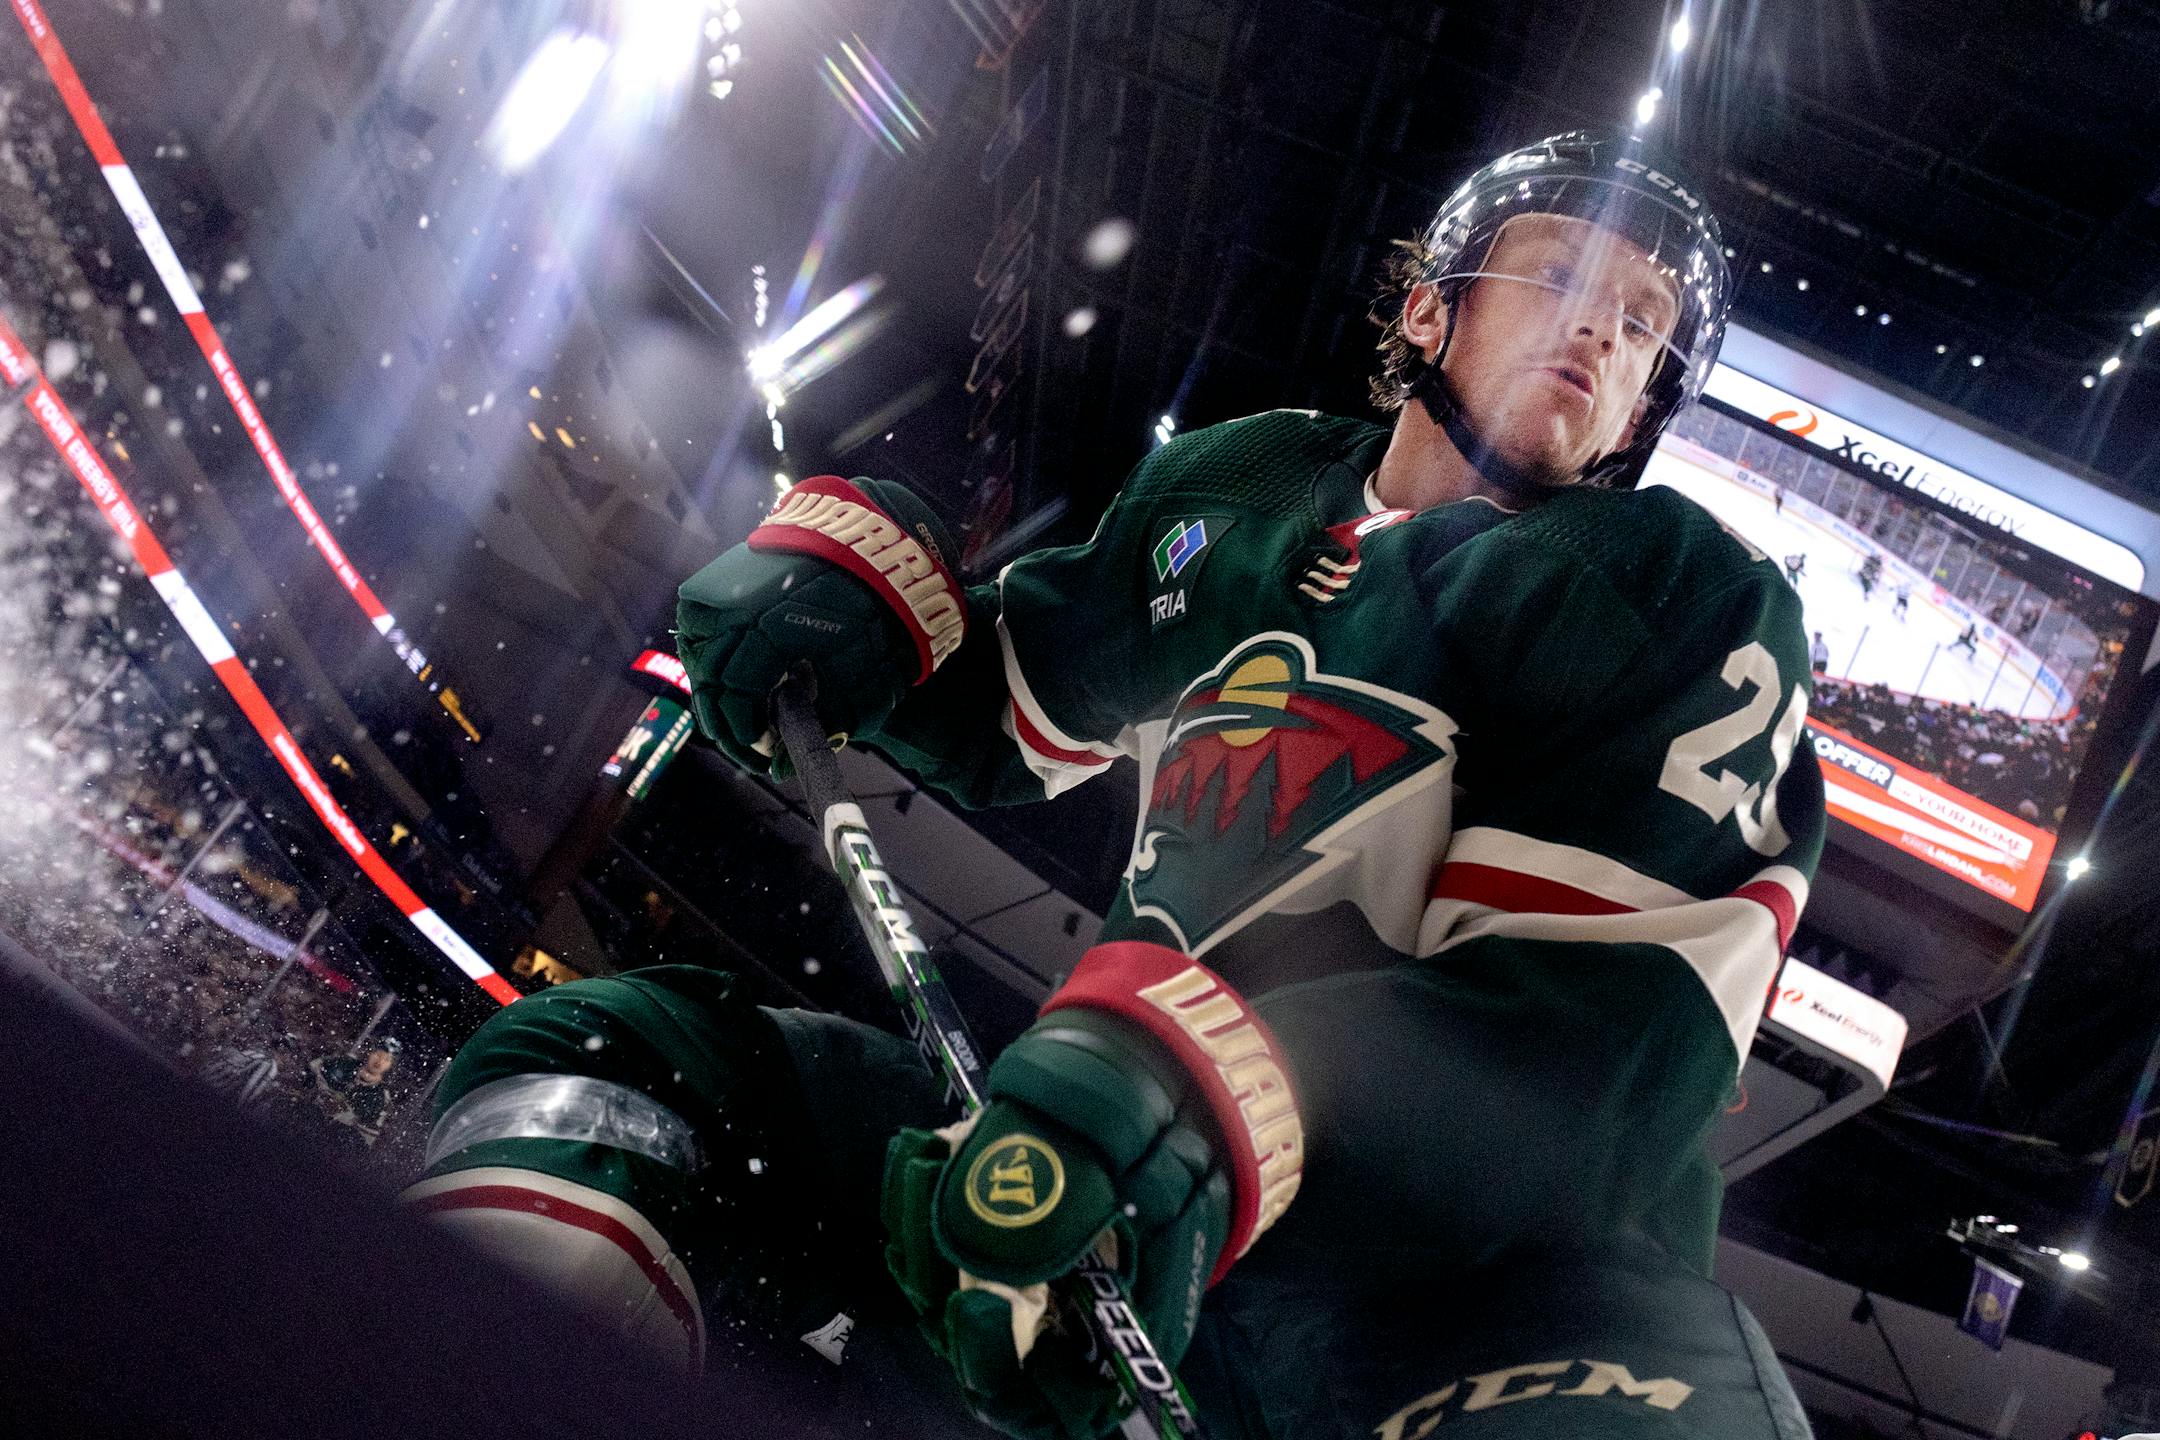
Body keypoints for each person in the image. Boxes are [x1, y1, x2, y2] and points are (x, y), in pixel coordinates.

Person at [404, 132, 1825, 1439]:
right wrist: (880, 628)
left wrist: (1211, 1094)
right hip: (1108, 1173)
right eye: (1563, 273)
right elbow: (1022, 699)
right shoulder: (1244, 489)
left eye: (1644, 321)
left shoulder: (1677, 596)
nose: (1604, 328)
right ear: (1425, 309)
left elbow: (1600, 1042)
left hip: (1454, 1307)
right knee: (620, 1070)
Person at [312, 1037, 398, 1148]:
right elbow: (310, 1074)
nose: (380, 1062)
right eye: (378, 1055)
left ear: (390, 1065)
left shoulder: (380, 1098)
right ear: (370, 1052)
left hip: (332, 1143)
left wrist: (343, 1117)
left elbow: (365, 1137)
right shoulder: (343, 1063)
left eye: (387, 1060)